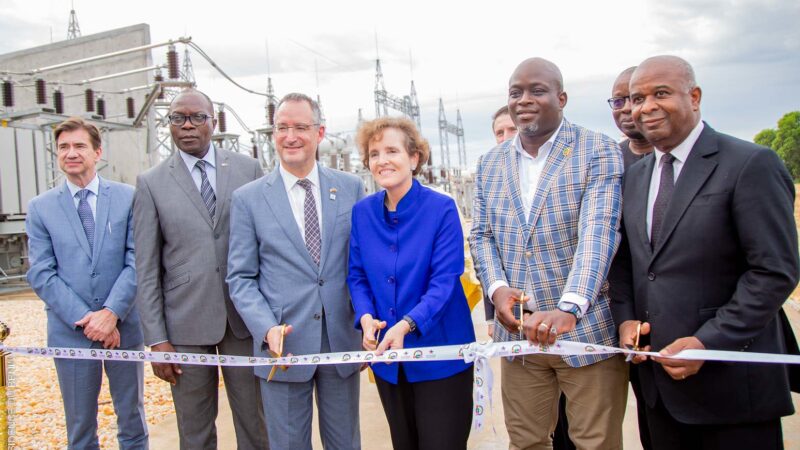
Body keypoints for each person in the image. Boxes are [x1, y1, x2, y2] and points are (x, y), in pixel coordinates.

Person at [609, 55, 798, 450]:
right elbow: (628, 263)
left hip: (732, 389)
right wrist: (626, 319)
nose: (645, 107)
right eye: (636, 98)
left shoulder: (750, 164)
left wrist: (707, 342)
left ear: (694, 97)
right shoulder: (634, 178)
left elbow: (773, 272)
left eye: (660, 93)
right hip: (658, 392)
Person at [470, 57, 628, 449]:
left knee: (596, 443)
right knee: (525, 443)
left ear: (561, 98)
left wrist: (570, 306)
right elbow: (482, 235)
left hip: (585, 333)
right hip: (520, 338)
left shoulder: (598, 150)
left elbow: (599, 232)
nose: (523, 100)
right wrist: (497, 289)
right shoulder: (490, 163)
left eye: (536, 90)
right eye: (515, 92)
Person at [227, 93, 365, 450]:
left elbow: (362, 264)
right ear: (272, 134)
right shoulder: (248, 199)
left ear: (319, 133)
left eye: (301, 127)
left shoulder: (351, 188)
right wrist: (265, 327)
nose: (291, 136)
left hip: (339, 344)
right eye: (282, 127)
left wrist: (366, 321)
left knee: (345, 444)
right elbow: (240, 277)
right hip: (282, 347)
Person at [133, 88, 268, 449]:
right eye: (177, 118)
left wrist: (270, 320)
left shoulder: (247, 169)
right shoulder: (151, 183)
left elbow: (265, 246)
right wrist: (157, 339)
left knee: (256, 421)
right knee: (194, 429)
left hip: (244, 320)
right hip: (184, 326)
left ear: (213, 122)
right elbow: (145, 267)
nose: (187, 126)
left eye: (196, 117)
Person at [348, 117, 476, 450]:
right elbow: (357, 274)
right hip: (391, 363)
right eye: (374, 154)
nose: (382, 160)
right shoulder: (362, 213)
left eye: (392, 150)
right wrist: (365, 317)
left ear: (414, 158)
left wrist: (407, 324)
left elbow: (445, 281)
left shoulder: (441, 208)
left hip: (441, 358)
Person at [26, 117, 148, 449]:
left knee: (133, 420)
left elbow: (138, 260)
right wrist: (88, 319)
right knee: (80, 427)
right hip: (72, 332)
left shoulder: (128, 198)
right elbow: (41, 273)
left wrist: (111, 313)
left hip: (124, 328)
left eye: (79, 146)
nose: (71, 153)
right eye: (64, 147)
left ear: (98, 152)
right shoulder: (40, 209)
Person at [608, 65, 654, 450]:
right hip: (630, 327)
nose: (628, 109)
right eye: (619, 100)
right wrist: (625, 317)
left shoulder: (735, 163)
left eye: (634, 98)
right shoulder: (609, 162)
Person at [608, 66, 654, 170]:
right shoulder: (610, 159)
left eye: (637, 99)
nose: (626, 108)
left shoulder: (671, 157)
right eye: (618, 101)